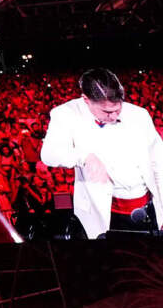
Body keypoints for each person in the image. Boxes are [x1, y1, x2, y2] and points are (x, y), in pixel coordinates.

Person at [40, 68, 163, 239]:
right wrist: (84, 157)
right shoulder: (66, 114)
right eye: (106, 112)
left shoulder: (139, 115)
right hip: (103, 210)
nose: (113, 116)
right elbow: (49, 154)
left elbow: (159, 161)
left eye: (118, 110)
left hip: (145, 206)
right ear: (86, 100)